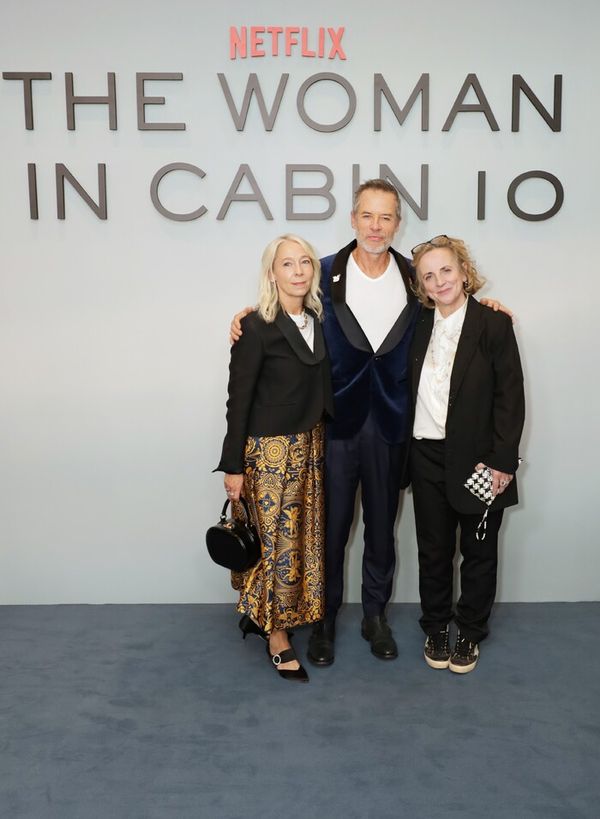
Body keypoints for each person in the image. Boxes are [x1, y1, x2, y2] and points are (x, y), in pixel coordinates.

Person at [230, 180, 508, 667]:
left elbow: (453, 310)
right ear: (353, 219)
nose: (376, 226)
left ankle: (375, 618)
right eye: (367, 216)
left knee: (381, 533)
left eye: (386, 218)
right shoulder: (324, 273)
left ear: (397, 224)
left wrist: (488, 306)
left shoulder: (413, 277)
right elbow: (287, 304)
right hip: (335, 426)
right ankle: (324, 622)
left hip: (393, 427)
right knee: (330, 533)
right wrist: (249, 313)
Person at [215, 234, 334, 683]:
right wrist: (233, 466)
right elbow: (237, 401)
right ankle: (277, 636)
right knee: (276, 548)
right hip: (268, 455)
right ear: (272, 273)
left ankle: (263, 613)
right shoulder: (256, 328)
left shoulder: (319, 319)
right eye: (288, 264)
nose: (299, 271)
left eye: (306, 262)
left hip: (310, 450)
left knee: (300, 542)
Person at [409, 235, 525, 673]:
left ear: (463, 271)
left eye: (446, 271)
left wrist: (502, 462)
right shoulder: (417, 325)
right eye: (428, 275)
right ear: (420, 285)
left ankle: (470, 631)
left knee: (478, 550)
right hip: (425, 457)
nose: (439, 281)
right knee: (433, 549)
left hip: (479, 461)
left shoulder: (492, 325)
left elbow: (510, 399)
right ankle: (436, 625)